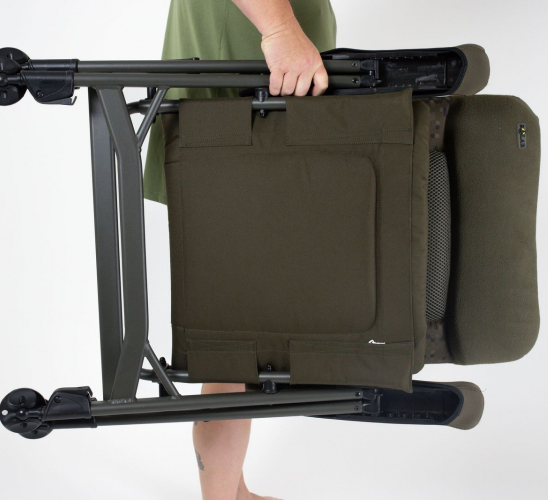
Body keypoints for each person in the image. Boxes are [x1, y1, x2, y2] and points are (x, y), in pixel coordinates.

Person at [144, 1, 336, 499]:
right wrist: (281, 29)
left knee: (239, 340)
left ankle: (232, 491)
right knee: (229, 345)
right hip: (243, 89)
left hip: (261, 88)